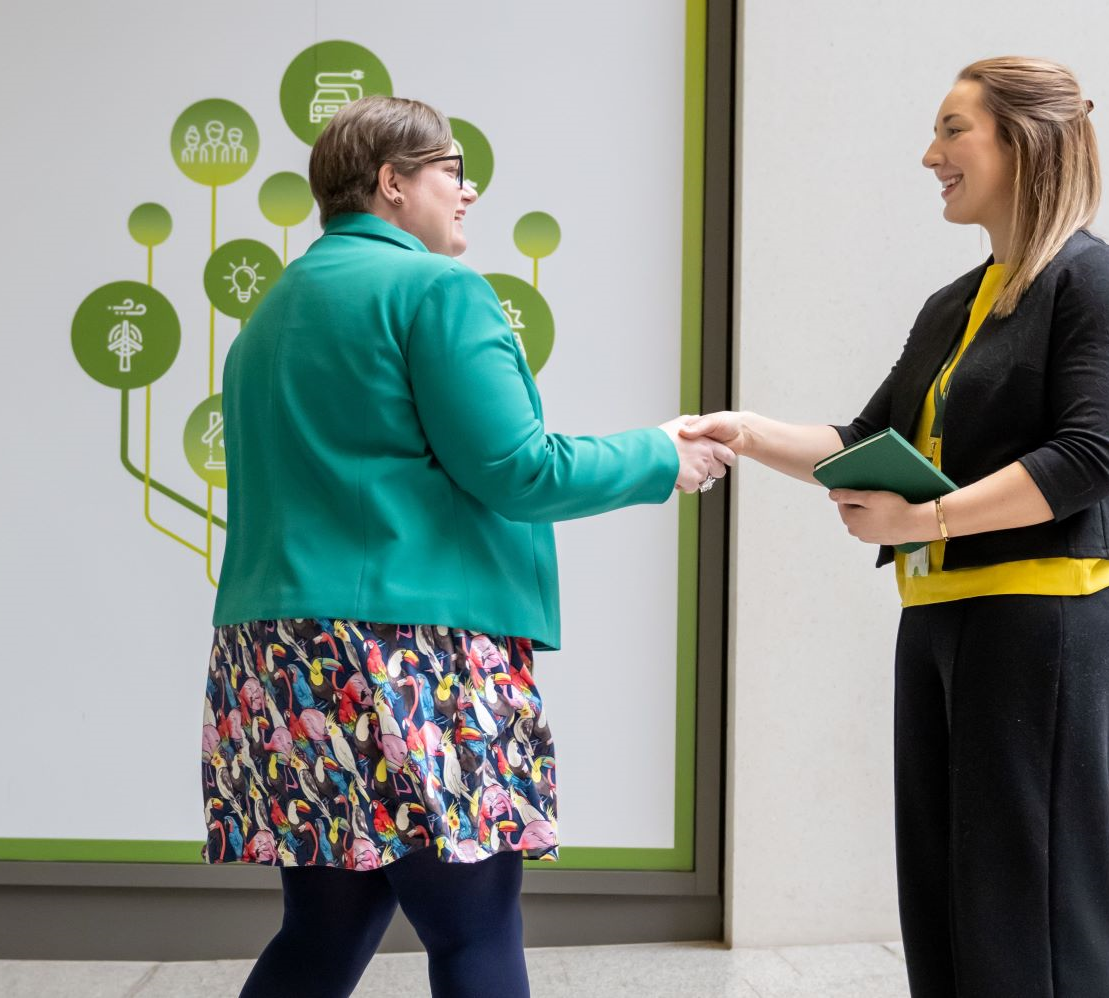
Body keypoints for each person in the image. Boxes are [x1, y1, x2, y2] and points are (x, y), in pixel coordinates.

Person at [201, 95, 732, 998]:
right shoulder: (437, 291)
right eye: (451, 170)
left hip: (277, 659)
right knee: (474, 923)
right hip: (410, 651)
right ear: (390, 184)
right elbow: (515, 468)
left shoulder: (271, 316)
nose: (468, 190)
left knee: (327, 925)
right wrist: (659, 455)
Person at [683, 57, 1109, 998]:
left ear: (1022, 143)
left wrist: (927, 516)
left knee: (1033, 901)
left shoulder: (1095, 281)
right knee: (944, 893)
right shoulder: (956, 305)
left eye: (951, 130)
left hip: (1044, 626)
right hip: (939, 621)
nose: (929, 154)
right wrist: (747, 431)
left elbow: (1089, 458)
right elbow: (867, 440)